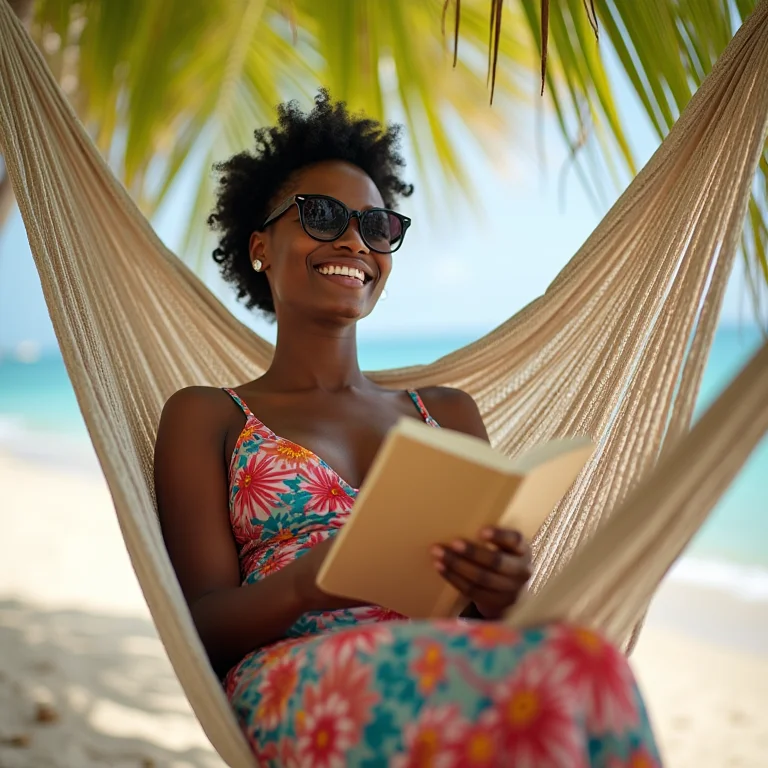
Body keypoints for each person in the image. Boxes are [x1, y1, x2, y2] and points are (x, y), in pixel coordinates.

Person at [154, 91, 661, 767]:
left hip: (445, 661)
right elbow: (201, 626)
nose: (354, 242)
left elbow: (486, 620)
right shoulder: (208, 415)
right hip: (301, 678)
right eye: (322, 215)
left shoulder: (446, 413)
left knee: (590, 660)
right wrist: (309, 583)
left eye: (377, 226)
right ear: (260, 248)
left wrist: (502, 590)